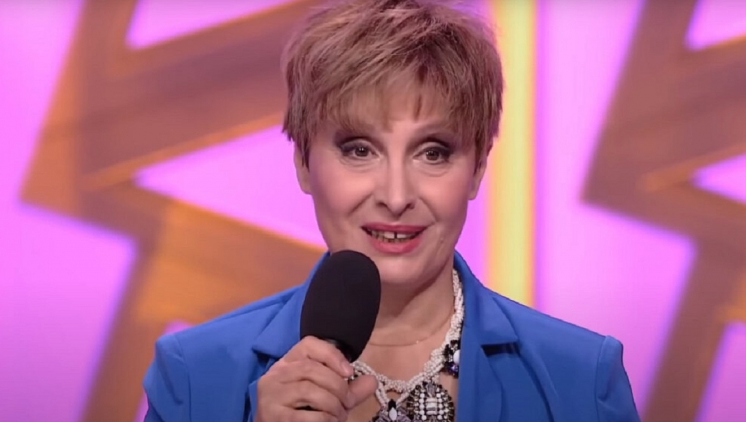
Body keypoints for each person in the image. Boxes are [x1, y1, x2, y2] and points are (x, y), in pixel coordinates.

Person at [142, 0, 641, 421]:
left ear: (478, 169)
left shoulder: (580, 378)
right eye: (360, 149)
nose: (397, 195)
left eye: (433, 152)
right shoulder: (195, 377)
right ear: (303, 163)